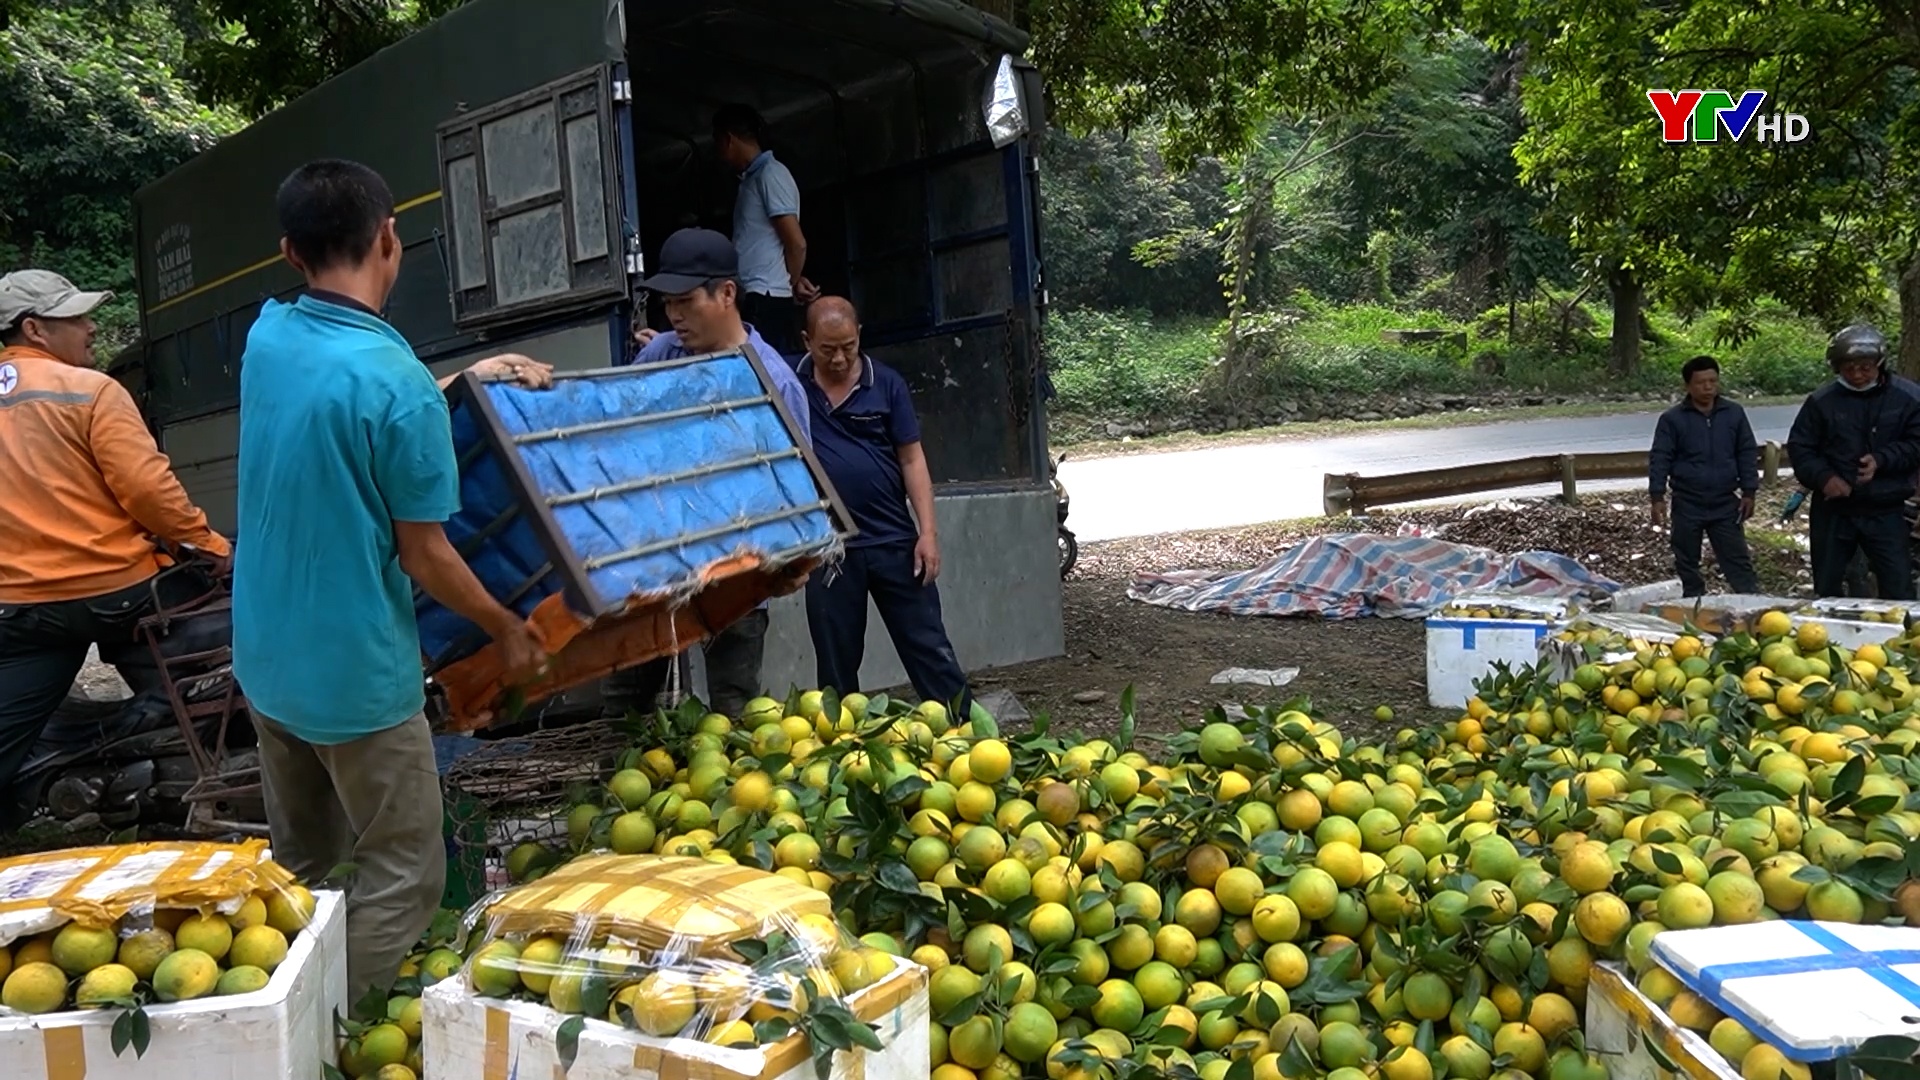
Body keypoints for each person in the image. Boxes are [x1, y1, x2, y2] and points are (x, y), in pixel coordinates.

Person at [232, 159, 551, 1007]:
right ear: (389, 240)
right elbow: (428, 557)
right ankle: (333, 1031)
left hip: (266, 661)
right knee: (404, 873)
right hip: (355, 682)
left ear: (290, 252)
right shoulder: (397, 388)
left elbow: (345, 399)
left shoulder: (268, 337)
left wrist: (460, 378)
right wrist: (507, 628)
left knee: (304, 865)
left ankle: (265, 1014)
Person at [0, 269, 233, 820]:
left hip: (18, 611)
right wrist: (210, 545)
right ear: (34, 329)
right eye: (75, 318)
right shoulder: (92, 391)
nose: (90, 329)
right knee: (244, 618)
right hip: (114, 594)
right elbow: (148, 492)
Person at [607, 228, 812, 719]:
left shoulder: (774, 383)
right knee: (623, 710)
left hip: (736, 574)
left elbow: (799, 488)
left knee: (733, 713)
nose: (674, 315)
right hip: (654, 569)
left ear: (726, 294)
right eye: (667, 304)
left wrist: (793, 561)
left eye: (685, 302)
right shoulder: (662, 354)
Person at [798, 297, 972, 711]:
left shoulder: (887, 383)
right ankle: (843, 749)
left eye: (848, 347)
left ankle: (966, 733)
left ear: (859, 336)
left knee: (928, 646)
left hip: (894, 539)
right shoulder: (789, 382)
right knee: (835, 663)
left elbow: (912, 458)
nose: (839, 358)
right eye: (827, 349)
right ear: (807, 341)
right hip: (830, 549)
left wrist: (927, 533)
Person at [1787, 323, 1920, 600]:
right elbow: (1801, 449)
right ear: (1837, 368)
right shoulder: (1821, 401)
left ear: (1880, 364)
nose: (1858, 375)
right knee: (1828, 586)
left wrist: (1882, 460)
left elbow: (1916, 443)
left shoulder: (1907, 397)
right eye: (1849, 368)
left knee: (1897, 585)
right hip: (1834, 509)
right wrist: (1824, 478)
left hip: (1886, 506)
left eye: (1865, 367)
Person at [1647, 355, 1762, 596]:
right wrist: (1657, 496)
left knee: (1737, 559)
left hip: (1725, 502)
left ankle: (1752, 605)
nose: (1708, 387)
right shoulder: (1672, 420)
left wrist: (1749, 490)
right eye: (1701, 383)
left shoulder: (1733, 414)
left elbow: (1746, 452)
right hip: (1688, 502)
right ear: (1687, 386)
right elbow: (1660, 458)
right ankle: (1693, 606)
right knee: (1686, 561)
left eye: (1713, 381)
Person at [711, 102, 816, 355]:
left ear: (728, 139)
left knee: (762, 368)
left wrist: (788, 283)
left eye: (718, 143)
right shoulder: (751, 179)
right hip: (756, 293)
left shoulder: (771, 175)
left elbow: (796, 243)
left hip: (767, 297)